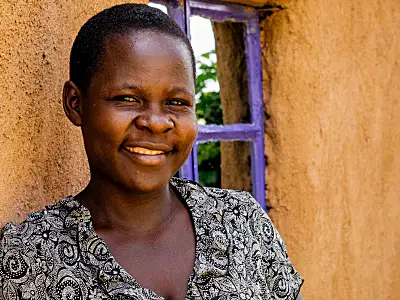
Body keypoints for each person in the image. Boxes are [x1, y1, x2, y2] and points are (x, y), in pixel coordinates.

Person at [0, 4, 303, 300]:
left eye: (177, 102)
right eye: (128, 98)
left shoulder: (242, 223)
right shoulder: (25, 262)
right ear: (76, 103)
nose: (157, 123)